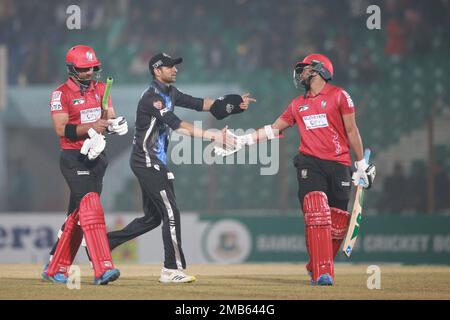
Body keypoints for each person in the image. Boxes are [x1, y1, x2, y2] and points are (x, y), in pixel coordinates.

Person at [222, 54, 375, 286]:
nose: (300, 73)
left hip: (340, 164)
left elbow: (352, 130)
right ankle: (324, 272)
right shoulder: (297, 104)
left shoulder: (339, 96)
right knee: (316, 210)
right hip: (309, 163)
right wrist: (243, 140)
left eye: (304, 69)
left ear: (319, 70)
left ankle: (315, 265)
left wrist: (360, 164)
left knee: (337, 223)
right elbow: (273, 130)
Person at [106, 52, 256, 283]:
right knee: (170, 212)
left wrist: (234, 104)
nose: (175, 69)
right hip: (147, 160)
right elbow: (178, 126)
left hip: (151, 161)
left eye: (175, 65)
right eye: (169, 66)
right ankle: (171, 269)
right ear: (157, 70)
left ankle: (104, 243)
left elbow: (200, 104)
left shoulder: (171, 93)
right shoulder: (152, 97)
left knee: (153, 218)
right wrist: (213, 135)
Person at [41, 45, 128, 285]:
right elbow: (61, 129)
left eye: (92, 67)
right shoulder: (61, 94)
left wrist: (116, 125)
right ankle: (103, 268)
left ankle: (55, 267)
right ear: (72, 69)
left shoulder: (102, 88)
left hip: (97, 157)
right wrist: (91, 128)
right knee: (91, 205)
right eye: (83, 68)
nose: (89, 72)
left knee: (78, 215)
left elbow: (109, 116)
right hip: (73, 158)